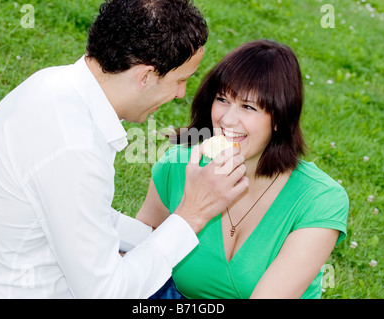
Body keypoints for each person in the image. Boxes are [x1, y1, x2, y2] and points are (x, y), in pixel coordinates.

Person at [0, 0, 248, 298]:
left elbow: (84, 214)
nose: (181, 93)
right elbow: (106, 293)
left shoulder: (53, 85)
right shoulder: (74, 147)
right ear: (145, 76)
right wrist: (193, 214)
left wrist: (155, 236)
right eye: (180, 80)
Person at [137, 39, 349, 299]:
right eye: (222, 99)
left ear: (280, 119)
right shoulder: (179, 166)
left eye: (249, 107)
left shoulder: (320, 199)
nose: (227, 119)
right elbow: (133, 253)